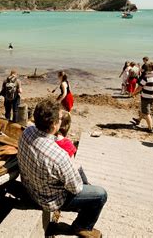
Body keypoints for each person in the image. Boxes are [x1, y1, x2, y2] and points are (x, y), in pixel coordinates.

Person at [18, 99, 107, 237]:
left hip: (29, 187)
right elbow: (76, 188)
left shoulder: (27, 132)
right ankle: (82, 226)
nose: (61, 120)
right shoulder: (59, 156)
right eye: (60, 118)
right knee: (100, 194)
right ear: (54, 125)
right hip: (48, 200)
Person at [131, 62, 153, 133]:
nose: (147, 68)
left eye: (148, 67)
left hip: (145, 96)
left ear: (150, 68)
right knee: (145, 109)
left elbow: (139, 88)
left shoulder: (147, 77)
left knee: (146, 113)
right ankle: (138, 120)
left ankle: (150, 129)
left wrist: (133, 93)